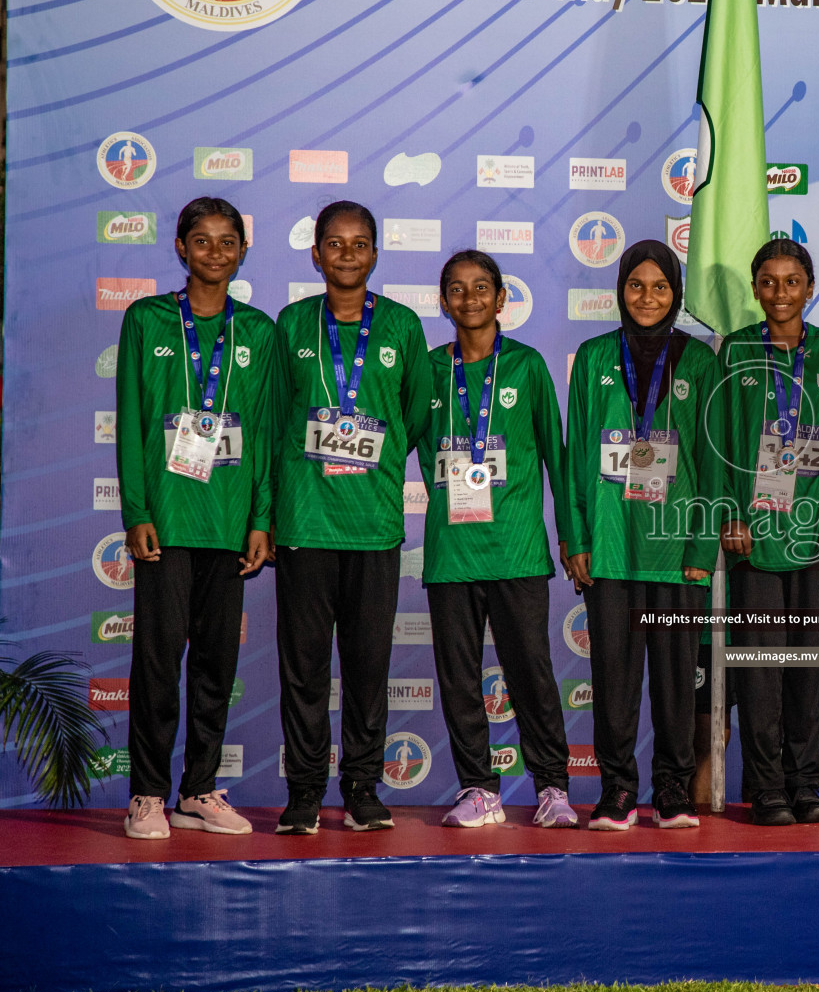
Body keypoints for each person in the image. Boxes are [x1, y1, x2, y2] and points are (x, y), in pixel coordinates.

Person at [271, 201, 431, 834]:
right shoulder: (288, 325)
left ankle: (363, 788)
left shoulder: (399, 326)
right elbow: (276, 418)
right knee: (304, 669)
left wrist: (379, 453)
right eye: (333, 245)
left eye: (358, 244)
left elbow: (415, 415)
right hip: (306, 525)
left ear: (375, 254)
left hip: (373, 526)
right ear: (315, 254)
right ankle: (305, 794)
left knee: (368, 668)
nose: (346, 254)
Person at [117, 197, 274, 839]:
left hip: (229, 523)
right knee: (157, 663)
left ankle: (199, 790)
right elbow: (129, 419)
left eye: (227, 241)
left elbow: (262, 432)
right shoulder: (147, 319)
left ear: (243, 249)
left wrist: (261, 519)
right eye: (202, 241)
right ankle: (147, 795)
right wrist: (136, 510)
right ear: (180, 247)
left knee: (216, 666)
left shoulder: (258, 332)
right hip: (167, 522)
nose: (215, 252)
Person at [563, 240, 723, 830]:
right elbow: (577, 451)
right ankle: (617, 792)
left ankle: (673, 792)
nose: (648, 297)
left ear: (676, 293)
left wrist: (703, 549)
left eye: (660, 287)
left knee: (678, 682)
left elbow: (713, 463)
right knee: (614, 681)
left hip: (677, 552)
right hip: (609, 548)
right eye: (636, 286)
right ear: (620, 292)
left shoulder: (700, 362)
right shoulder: (594, 355)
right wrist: (576, 539)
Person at [415, 250, 577, 829]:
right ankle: (479, 789)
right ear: (443, 301)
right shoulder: (429, 368)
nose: (469, 299)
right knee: (459, 678)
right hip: (451, 554)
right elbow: (392, 443)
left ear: (501, 297)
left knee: (530, 671)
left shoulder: (528, 366)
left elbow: (557, 463)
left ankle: (552, 787)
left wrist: (571, 539)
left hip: (517, 550)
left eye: (481, 287)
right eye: (456, 289)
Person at [718, 239, 819, 825]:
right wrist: (730, 511)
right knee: (759, 668)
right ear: (755, 289)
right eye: (769, 281)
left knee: (808, 665)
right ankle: (768, 788)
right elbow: (719, 441)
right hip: (755, 536)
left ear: (809, 287)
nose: (781, 292)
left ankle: (806, 783)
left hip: (814, 539)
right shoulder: (733, 351)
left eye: (792, 281)